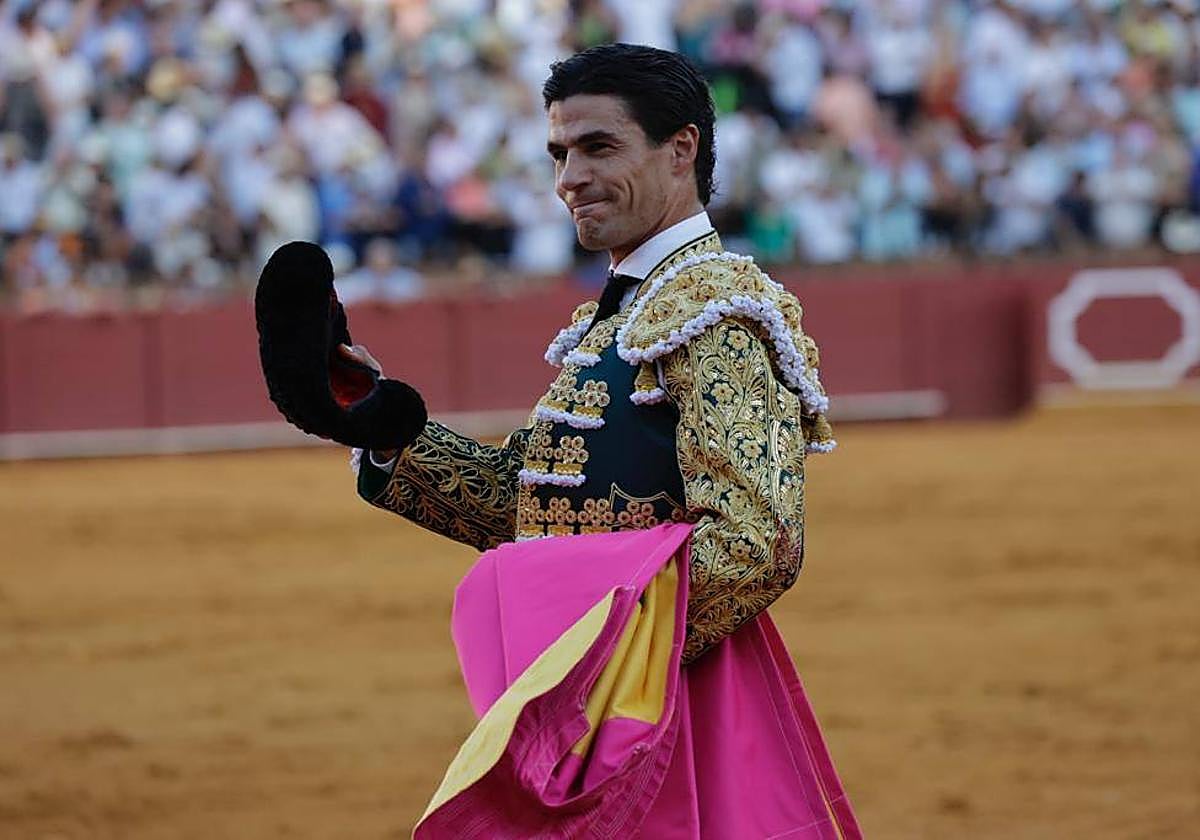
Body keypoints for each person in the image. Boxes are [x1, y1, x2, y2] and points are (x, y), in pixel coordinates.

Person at [338, 44, 858, 839]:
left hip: (658, 711)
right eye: (559, 152)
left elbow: (758, 542)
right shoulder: (614, 318)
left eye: (598, 147)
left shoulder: (720, 311)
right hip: (610, 702)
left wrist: (598, 667)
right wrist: (383, 427)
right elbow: (531, 509)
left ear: (680, 149)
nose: (568, 178)